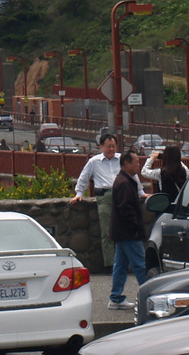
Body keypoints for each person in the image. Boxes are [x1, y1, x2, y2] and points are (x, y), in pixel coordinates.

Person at [72, 132, 121, 270]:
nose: (111, 149)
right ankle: (111, 264)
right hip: (104, 197)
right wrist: (79, 193)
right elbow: (84, 177)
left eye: (113, 146)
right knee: (107, 232)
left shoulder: (121, 159)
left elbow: (132, 176)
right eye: (108, 146)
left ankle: (124, 262)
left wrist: (140, 192)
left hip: (122, 196)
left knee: (124, 231)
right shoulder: (94, 162)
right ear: (101, 147)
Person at [108, 151, 148, 311]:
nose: (139, 164)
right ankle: (149, 296)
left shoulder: (123, 180)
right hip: (129, 232)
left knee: (121, 265)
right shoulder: (125, 182)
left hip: (121, 231)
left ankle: (116, 298)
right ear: (126, 164)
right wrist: (137, 225)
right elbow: (126, 208)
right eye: (136, 162)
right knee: (140, 264)